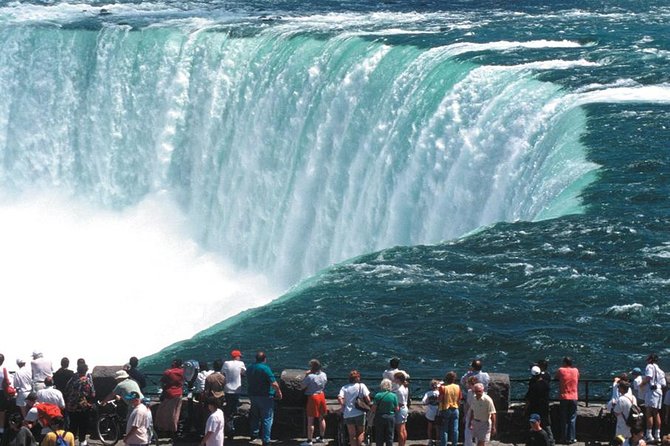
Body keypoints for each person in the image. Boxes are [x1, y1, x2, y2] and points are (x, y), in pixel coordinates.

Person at [246, 352, 283, 446]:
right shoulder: (265, 368)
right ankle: (266, 439)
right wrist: (279, 392)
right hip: (265, 396)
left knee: (254, 416)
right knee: (267, 418)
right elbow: (274, 383)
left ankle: (254, 435)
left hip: (253, 395)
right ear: (264, 359)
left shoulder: (250, 368)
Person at [64, 363, 95, 446]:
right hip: (82, 406)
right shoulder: (86, 380)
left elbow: (66, 391)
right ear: (86, 370)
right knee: (83, 425)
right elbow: (92, 394)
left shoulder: (72, 379)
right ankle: (82, 441)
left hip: (71, 406)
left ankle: (70, 441)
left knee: (72, 425)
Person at [337, 370, 371, 446]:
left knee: (352, 435)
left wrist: (343, 406)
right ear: (357, 378)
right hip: (359, 413)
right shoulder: (361, 386)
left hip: (348, 413)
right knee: (360, 433)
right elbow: (368, 399)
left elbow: (340, 397)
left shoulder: (344, 387)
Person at [300, 359, 327, 446]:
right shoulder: (324, 375)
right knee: (321, 418)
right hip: (321, 395)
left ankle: (309, 441)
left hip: (313, 397)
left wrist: (306, 375)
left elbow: (302, 386)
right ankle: (322, 438)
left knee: (310, 420)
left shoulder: (310, 377)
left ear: (312, 368)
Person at [526, 366, 554, 446]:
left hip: (535, 408)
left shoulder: (533, 386)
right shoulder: (546, 384)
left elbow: (528, 398)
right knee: (547, 426)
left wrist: (526, 408)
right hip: (544, 408)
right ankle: (551, 442)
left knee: (533, 425)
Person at [156, 359, 184, 435]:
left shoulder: (168, 372)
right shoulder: (182, 371)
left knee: (162, 412)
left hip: (169, 394)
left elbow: (162, 383)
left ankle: (164, 429)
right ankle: (174, 429)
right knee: (175, 413)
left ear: (174, 364)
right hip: (179, 394)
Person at [221, 350, 245, 439]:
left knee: (228, 409)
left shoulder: (226, 363)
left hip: (227, 389)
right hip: (237, 389)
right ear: (237, 356)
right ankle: (232, 429)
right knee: (234, 410)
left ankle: (229, 429)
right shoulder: (241, 363)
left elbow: (222, 373)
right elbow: (243, 373)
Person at [555, 357, 579, 444]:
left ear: (564, 363)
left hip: (564, 397)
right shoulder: (575, 370)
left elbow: (556, 377)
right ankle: (572, 438)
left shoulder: (561, 370)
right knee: (572, 418)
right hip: (574, 397)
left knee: (563, 418)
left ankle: (564, 438)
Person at [644, 354, 665, 443]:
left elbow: (649, 377)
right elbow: (663, 383)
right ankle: (657, 435)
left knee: (649, 412)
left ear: (650, 360)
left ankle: (649, 435)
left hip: (652, 391)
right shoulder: (660, 370)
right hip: (659, 392)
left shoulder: (649, 366)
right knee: (656, 413)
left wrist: (642, 384)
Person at [372, 378, 399, 446]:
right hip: (390, 417)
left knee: (379, 436)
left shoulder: (378, 395)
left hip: (380, 417)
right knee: (390, 436)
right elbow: (397, 409)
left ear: (381, 386)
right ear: (390, 386)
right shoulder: (394, 396)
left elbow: (373, 409)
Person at [438, 371, 461, 446]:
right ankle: (454, 444)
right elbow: (459, 399)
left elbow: (440, 399)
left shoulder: (443, 388)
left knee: (444, 430)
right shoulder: (457, 387)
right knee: (455, 429)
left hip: (445, 408)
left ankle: (444, 444)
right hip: (455, 408)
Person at [421, 379, 440, 446]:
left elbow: (423, 401)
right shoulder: (439, 393)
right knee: (438, 428)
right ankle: (438, 441)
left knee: (430, 427)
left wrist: (428, 403)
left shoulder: (428, 393)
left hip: (430, 413)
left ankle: (430, 440)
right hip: (438, 412)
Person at [462, 376, 479, 446]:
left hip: (472, 414)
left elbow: (468, 405)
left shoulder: (471, 393)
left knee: (468, 432)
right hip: (476, 414)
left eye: (467, 383)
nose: (466, 385)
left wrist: (465, 414)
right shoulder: (474, 392)